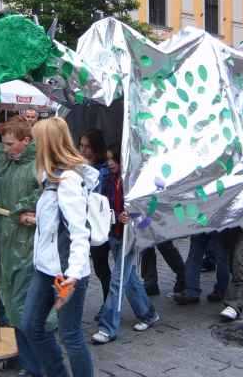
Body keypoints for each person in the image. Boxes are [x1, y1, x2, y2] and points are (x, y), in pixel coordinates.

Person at [22, 117, 94, 377]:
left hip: (66, 274)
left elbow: (79, 232)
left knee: (70, 335)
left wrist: (73, 277)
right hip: (45, 268)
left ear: (47, 144)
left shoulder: (68, 180)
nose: (32, 146)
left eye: (36, 141)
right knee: (30, 325)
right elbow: (55, 222)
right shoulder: (48, 176)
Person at [0, 116, 44, 375]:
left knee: (27, 308)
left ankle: (37, 362)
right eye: (4, 144)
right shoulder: (6, 163)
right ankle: (28, 362)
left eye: (10, 144)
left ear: (26, 142)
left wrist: (22, 209)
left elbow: (45, 194)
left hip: (29, 248)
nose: (5, 149)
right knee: (14, 306)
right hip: (7, 245)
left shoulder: (39, 166)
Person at [92, 146, 159, 345]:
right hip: (115, 233)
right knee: (129, 279)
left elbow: (149, 206)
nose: (110, 162)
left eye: (115, 159)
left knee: (117, 280)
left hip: (132, 236)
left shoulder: (136, 180)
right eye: (109, 159)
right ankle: (148, 314)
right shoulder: (108, 179)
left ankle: (108, 327)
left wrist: (132, 215)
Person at [78, 129, 111, 306]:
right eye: (81, 145)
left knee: (102, 268)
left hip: (100, 223)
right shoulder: (80, 165)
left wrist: (85, 167)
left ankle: (108, 304)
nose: (83, 150)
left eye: (87, 147)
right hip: (84, 222)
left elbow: (95, 192)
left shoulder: (103, 169)